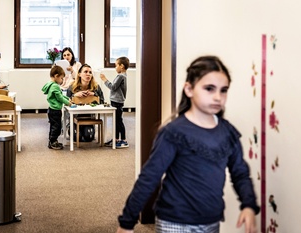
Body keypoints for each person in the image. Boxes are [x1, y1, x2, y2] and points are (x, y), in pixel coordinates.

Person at [116, 56, 260, 233]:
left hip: (211, 221)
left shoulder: (227, 132)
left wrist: (249, 205)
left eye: (223, 90)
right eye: (209, 89)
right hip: (174, 222)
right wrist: (127, 222)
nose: (218, 97)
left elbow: (240, 173)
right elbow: (149, 177)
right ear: (189, 89)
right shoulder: (173, 132)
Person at [66, 64, 104, 142]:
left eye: (90, 72)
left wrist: (94, 95)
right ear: (79, 74)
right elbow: (66, 103)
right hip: (75, 118)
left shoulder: (96, 87)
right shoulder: (72, 87)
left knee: (89, 137)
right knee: (77, 138)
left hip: (89, 117)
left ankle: (88, 128)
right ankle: (72, 127)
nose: (88, 74)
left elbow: (102, 101)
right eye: (85, 72)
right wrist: (74, 95)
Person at [99, 56, 129, 148]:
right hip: (115, 100)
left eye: (116, 65)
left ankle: (124, 140)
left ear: (122, 66)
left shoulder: (121, 76)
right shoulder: (121, 76)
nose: (115, 67)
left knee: (119, 121)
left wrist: (104, 80)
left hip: (117, 102)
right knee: (116, 121)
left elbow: (113, 87)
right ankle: (116, 139)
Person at [42, 65, 72, 150]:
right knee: (57, 127)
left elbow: (60, 95)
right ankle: (52, 141)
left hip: (52, 110)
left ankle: (52, 141)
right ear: (56, 76)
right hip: (55, 111)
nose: (62, 80)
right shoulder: (55, 86)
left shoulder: (51, 84)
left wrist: (67, 99)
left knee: (53, 126)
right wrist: (67, 103)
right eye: (62, 78)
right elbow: (59, 97)